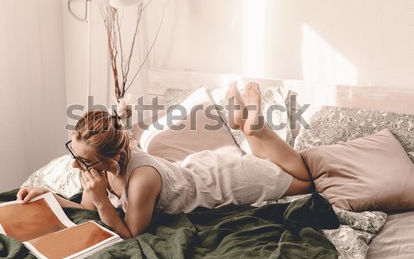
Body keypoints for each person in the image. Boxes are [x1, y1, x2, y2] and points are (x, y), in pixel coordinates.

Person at [17, 82, 313, 239]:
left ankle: (255, 127)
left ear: (111, 159)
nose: (74, 166)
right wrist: (51, 197)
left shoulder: (142, 179)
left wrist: (103, 203)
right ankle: (247, 126)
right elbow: (87, 208)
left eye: (83, 161)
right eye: (74, 155)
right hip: (198, 170)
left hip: (226, 180)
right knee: (267, 161)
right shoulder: (108, 166)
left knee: (304, 180)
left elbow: (132, 233)